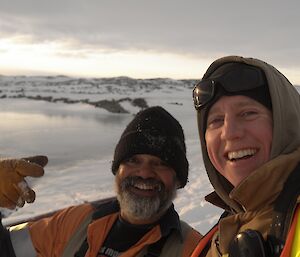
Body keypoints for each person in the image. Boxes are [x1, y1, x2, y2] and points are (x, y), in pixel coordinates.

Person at [0, 106, 202, 257]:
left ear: (177, 179)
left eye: (160, 163)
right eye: (133, 160)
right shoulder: (77, 221)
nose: (145, 173)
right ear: (117, 170)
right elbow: (7, 249)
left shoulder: (195, 250)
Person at [190, 56, 300, 257]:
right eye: (216, 120)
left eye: (248, 113)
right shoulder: (221, 234)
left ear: (286, 124)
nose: (230, 132)